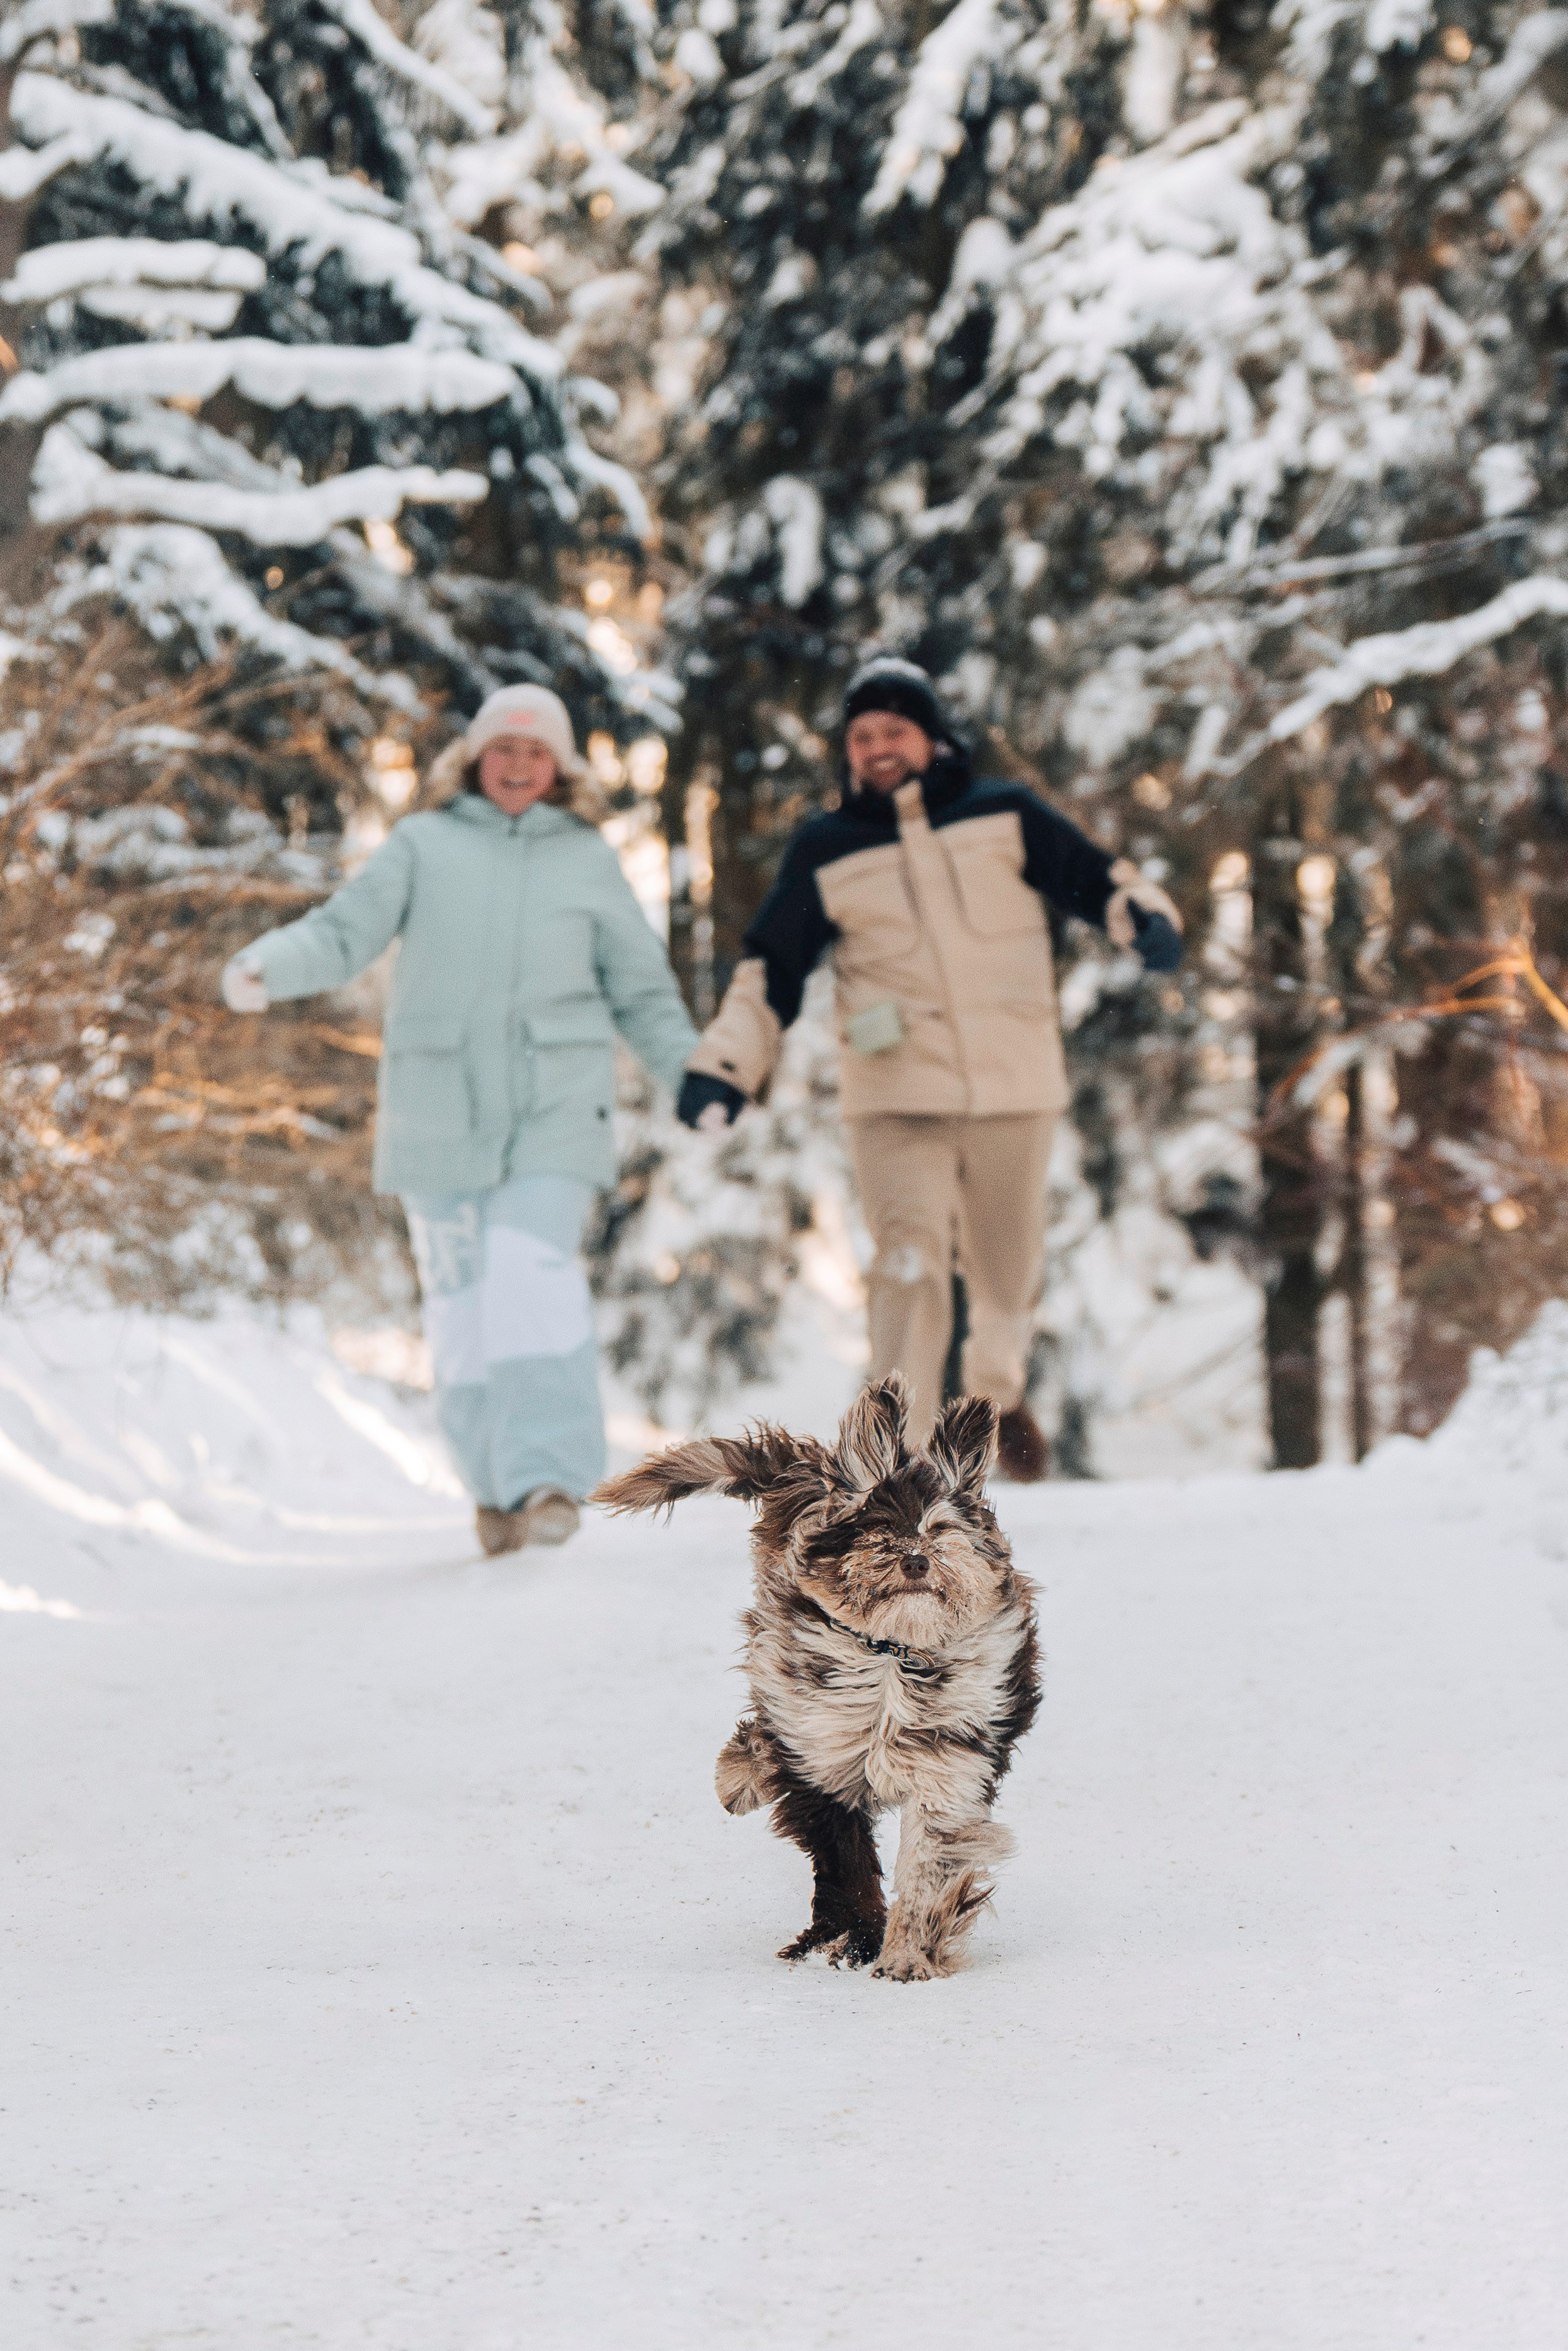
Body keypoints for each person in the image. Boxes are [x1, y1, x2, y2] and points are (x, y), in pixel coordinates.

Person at [676, 656, 1183, 1481]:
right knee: (905, 1262)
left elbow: (1099, 881)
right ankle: (895, 1456)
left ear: (931, 737)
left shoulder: (1005, 816)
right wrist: (726, 1063)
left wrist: (1144, 920)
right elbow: (771, 968)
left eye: (893, 730)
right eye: (862, 736)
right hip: (894, 1093)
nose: (877, 747)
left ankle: (993, 1396)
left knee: (1005, 1283)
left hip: (1013, 1086)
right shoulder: (826, 847)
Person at [222, 685, 697, 1556]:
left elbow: (640, 986)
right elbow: (342, 933)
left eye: (536, 752)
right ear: (475, 761)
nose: (518, 766)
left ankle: (549, 1476)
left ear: (559, 768)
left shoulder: (587, 858)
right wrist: (267, 964)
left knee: (532, 1274)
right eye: (503, 751)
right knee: (462, 1304)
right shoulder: (422, 844)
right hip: (437, 1111)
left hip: (555, 1104)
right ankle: (493, 1486)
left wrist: (692, 1072)